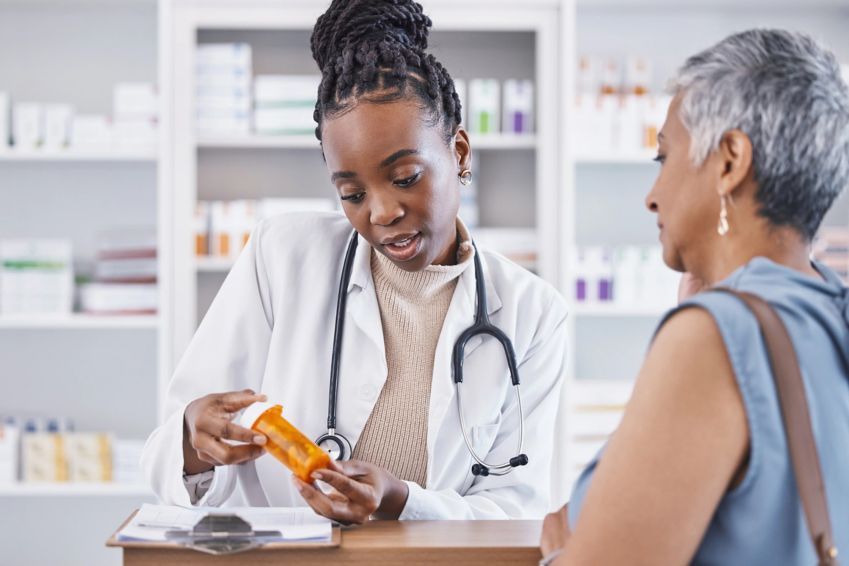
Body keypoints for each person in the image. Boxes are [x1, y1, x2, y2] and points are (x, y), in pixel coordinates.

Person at [142, 0, 567, 525]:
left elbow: (517, 508)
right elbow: (171, 449)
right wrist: (193, 438)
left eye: (406, 177)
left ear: (459, 152)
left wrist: (403, 503)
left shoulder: (532, 312)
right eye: (352, 193)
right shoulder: (284, 255)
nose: (382, 212)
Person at [540, 29, 849, 564]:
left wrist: (561, 546)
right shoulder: (827, 310)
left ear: (729, 160)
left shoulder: (715, 340)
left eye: (664, 157)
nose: (652, 196)